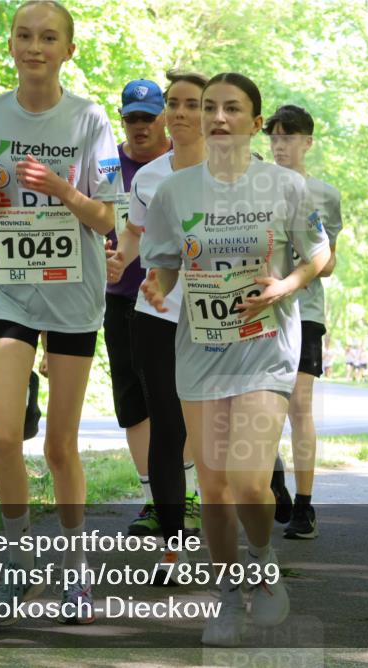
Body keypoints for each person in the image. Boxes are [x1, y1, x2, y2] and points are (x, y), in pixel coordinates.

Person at [140, 72, 330, 646]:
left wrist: (287, 285)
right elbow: (166, 261)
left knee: (250, 484)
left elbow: (320, 255)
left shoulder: (287, 187)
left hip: (265, 349)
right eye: (209, 108)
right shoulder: (176, 191)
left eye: (232, 109)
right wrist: (158, 283)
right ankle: (226, 595)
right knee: (216, 489)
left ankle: (264, 564)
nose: (218, 118)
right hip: (199, 351)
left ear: (255, 121)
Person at [0, 0, 118, 626]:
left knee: (60, 446)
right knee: (2, 434)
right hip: (10, 290)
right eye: (25, 36)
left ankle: (78, 571)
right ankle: (19, 561)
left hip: (75, 296)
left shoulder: (88, 118)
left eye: (48, 37)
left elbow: (110, 216)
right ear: (11, 45)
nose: (35, 46)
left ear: (67, 50)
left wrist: (63, 190)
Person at [105, 69, 209, 574]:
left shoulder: (245, 175)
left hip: (222, 320)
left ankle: (249, 543)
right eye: (176, 103)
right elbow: (133, 236)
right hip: (158, 314)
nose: (184, 113)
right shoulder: (148, 178)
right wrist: (119, 261)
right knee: (167, 428)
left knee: (214, 432)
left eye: (196, 104)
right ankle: (174, 546)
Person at [263, 103, 343, 540]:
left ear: (307, 143)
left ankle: (305, 505)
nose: (280, 145)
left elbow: (328, 263)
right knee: (255, 405)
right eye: (274, 137)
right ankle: (273, 474)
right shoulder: (252, 186)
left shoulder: (324, 195)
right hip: (255, 309)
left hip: (304, 310)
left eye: (289, 137)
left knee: (298, 406)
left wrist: (299, 264)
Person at [104, 78, 172, 536]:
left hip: (173, 301)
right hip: (120, 297)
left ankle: (183, 498)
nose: (141, 127)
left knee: (173, 400)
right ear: (123, 119)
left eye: (149, 118)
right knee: (132, 402)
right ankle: (152, 499)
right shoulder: (108, 165)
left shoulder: (183, 162)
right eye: (133, 119)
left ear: (164, 118)